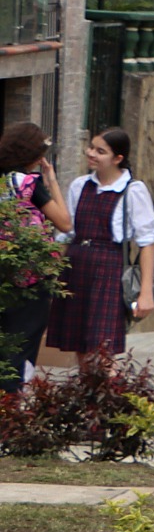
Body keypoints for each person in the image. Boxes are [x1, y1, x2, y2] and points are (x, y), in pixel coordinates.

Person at [40, 127, 154, 366]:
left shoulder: (133, 190)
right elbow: (66, 233)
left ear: (118, 158)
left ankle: (110, 390)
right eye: (91, 147)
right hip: (75, 265)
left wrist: (146, 293)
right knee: (79, 345)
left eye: (100, 151)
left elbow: (146, 242)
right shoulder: (80, 185)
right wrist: (51, 272)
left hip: (108, 268)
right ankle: (88, 390)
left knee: (102, 347)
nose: (91, 153)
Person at [0, 124, 64, 390]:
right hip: (30, 278)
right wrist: (51, 181)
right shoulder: (28, 184)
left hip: (3, 274)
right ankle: (11, 403)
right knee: (23, 346)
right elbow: (65, 223)